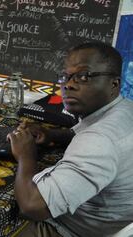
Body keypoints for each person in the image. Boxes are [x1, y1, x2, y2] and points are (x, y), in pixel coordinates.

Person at [7, 42, 133, 237]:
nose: (68, 85)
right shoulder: (124, 109)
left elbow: (31, 206)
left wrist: (26, 156)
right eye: (65, 76)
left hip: (72, 230)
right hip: (114, 219)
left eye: (83, 76)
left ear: (114, 84)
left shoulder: (99, 140)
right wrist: (51, 135)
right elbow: (85, 133)